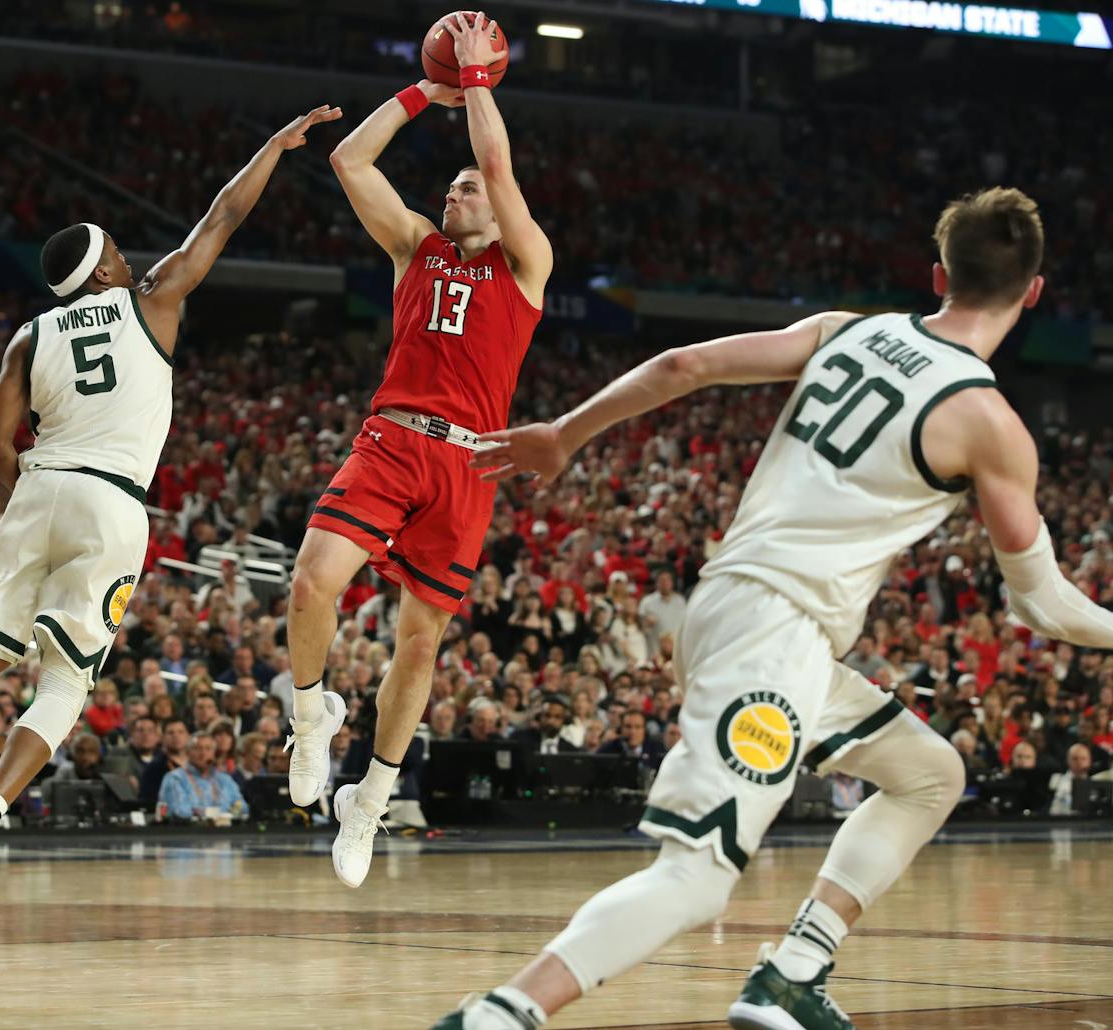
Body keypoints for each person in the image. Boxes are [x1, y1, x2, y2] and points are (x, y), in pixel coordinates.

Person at [437, 188, 1113, 1030]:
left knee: (930, 774)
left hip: (730, 607)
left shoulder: (849, 328)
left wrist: (568, 431)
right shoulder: (991, 424)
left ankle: (793, 972)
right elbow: (1041, 602)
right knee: (697, 877)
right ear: (1035, 292)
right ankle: (500, 1016)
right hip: (776, 634)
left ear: (938, 274)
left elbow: (687, 366)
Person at [0, 103, 341, 926]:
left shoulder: (29, 336)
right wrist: (272, 146)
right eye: (118, 248)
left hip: (37, 486)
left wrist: (31, 502)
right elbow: (222, 215)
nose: (129, 254)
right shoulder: (150, 301)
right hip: (111, 502)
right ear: (106, 270)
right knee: (67, 680)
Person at [285, 12, 551, 889]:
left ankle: (370, 799)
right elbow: (348, 162)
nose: (455, 193)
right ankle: (312, 710)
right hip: (396, 435)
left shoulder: (526, 263)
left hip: (470, 462)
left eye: (467, 187)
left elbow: (501, 166)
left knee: (420, 642)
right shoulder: (415, 248)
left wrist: (476, 86)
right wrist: (422, 93)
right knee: (312, 579)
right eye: (450, 186)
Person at [160, 732, 249, 822]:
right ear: (187, 753)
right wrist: (219, 814)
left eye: (208, 749)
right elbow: (180, 812)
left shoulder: (225, 780)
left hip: (225, 832)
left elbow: (243, 807)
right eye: (197, 749)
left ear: (214, 754)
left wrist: (229, 814)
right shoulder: (175, 778)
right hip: (189, 833)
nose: (203, 753)